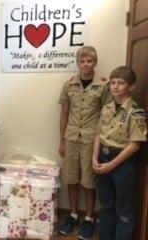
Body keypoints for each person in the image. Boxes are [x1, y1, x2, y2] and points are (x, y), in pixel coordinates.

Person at [58, 46, 112, 239]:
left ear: (95, 62)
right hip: (71, 138)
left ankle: (89, 218)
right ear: (77, 63)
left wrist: (103, 143)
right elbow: (64, 114)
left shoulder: (104, 85)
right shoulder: (69, 85)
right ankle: (72, 215)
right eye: (82, 61)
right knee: (71, 178)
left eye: (89, 61)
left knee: (89, 181)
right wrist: (62, 141)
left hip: (91, 140)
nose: (85, 64)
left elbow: (108, 114)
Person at [92, 66, 147, 240]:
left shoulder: (136, 112)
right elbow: (99, 135)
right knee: (106, 205)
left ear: (130, 87)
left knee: (124, 210)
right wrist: (95, 158)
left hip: (122, 162)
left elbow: (135, 145)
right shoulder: (107, 108)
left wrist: (111, 165)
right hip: (103, 157)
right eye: (113, 82)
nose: (115, 86)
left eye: (121, 83)